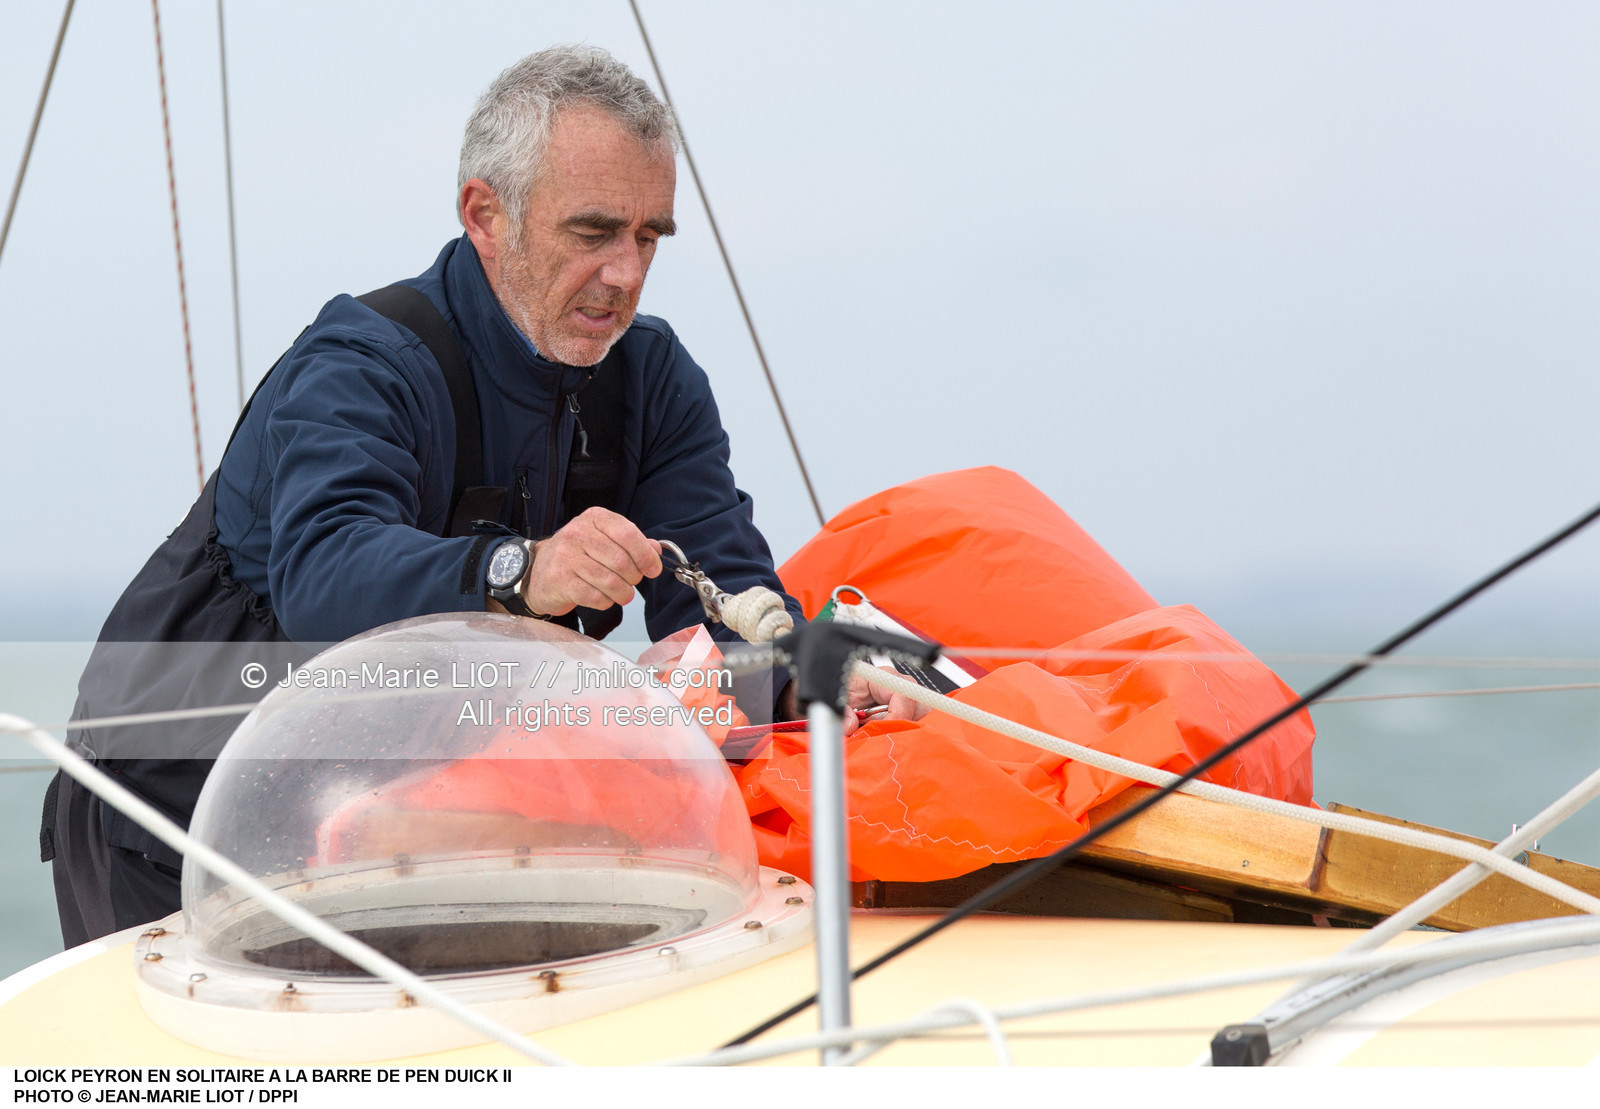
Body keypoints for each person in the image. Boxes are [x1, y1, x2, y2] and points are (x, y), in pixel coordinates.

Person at [44, 45, 808, 946]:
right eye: (593, 232)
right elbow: (324, 576)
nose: (627, 273)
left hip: (393, 817)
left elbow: (724, 609)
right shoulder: (362, 363)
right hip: (164, 815)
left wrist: (812, 673)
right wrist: (524, 571)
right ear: (485, 214)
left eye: (648, 236)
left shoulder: (651, 381)